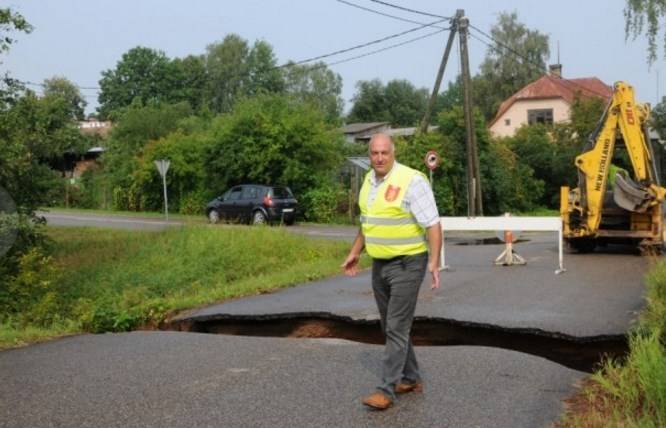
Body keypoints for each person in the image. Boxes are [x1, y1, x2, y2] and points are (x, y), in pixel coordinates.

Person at [341, 133, 442, 410]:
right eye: (375, 153)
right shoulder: (368, 181)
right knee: (389, 325)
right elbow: (367, 222)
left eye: (384, 152)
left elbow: (433, 224)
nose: (380, 158)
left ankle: (386, 389)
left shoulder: (412, 180)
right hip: (380, 264)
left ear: (393, 153)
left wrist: (433, 262)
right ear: (370, 155)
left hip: (409, 263)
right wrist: (355, 251)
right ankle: (411, 376)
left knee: (397, 326)